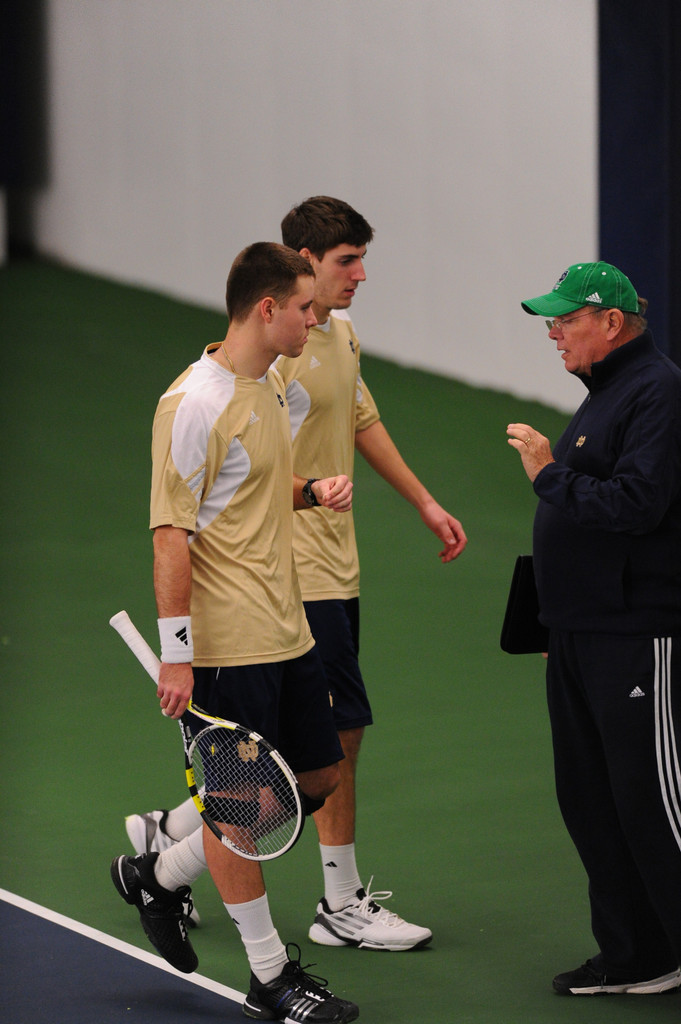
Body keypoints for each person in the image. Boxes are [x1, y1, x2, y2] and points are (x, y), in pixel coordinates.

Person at [124, 197, 467, 952]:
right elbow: (173, 531)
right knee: (283, 770)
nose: (355, 282)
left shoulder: (308, 353)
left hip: (309, 588)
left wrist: (391, 499)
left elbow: (351, 427)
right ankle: (298, 932)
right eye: (345, 263)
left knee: (313, 765)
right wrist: (176, 648)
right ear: (287, 287)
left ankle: (165, 853)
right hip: (259, 603)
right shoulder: (216, 389)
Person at [111, 241, 360, 1024]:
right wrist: (179, 658)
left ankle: (157, 874)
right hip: (227, 645)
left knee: (314, 781)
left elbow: (247, 485)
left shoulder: (266, 387)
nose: (315, 319)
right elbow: (169, 536)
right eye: (304, 309)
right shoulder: (193, 403)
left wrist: (309, 492)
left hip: (288, 630)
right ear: (267, 309)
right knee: (244, 811)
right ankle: (269, 974)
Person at [506, 261, 681, 996]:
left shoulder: (659, 392)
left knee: (653, 805)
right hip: (579, 633)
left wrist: (548, 473)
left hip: (635, 636)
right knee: (591, 799)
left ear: (610, 322)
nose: (552, 331)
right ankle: (636, 954)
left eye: (564, 319)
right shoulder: (609, 394)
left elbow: (637, 504)